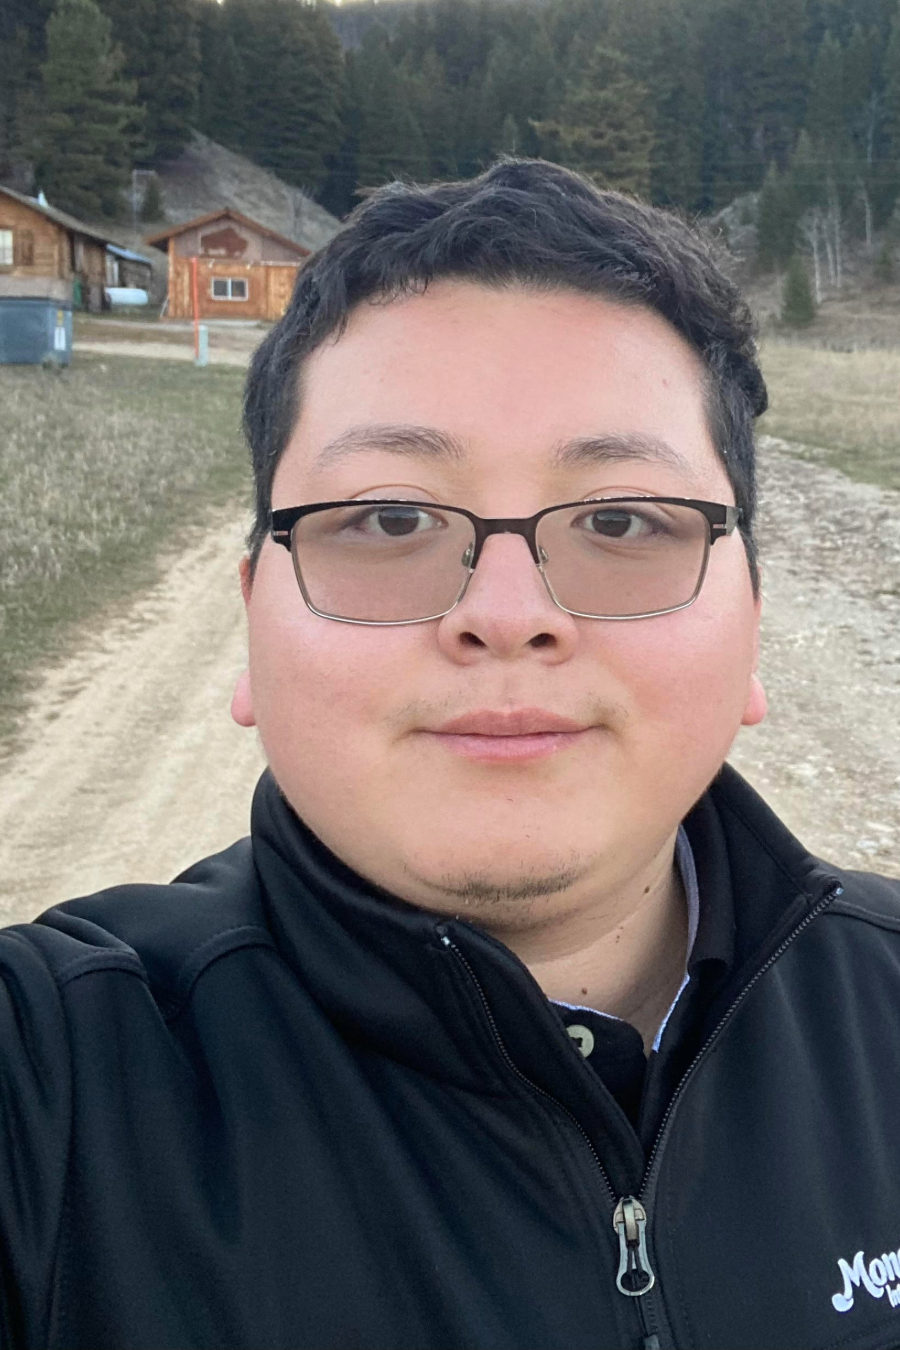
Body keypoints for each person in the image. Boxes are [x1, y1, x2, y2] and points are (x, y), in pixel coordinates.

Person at [3, 159, 899, 1350]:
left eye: (623, 520)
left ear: (749, 629)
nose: (509, 610)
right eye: (388, 518)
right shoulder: (50, 1085)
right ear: (251, 623)